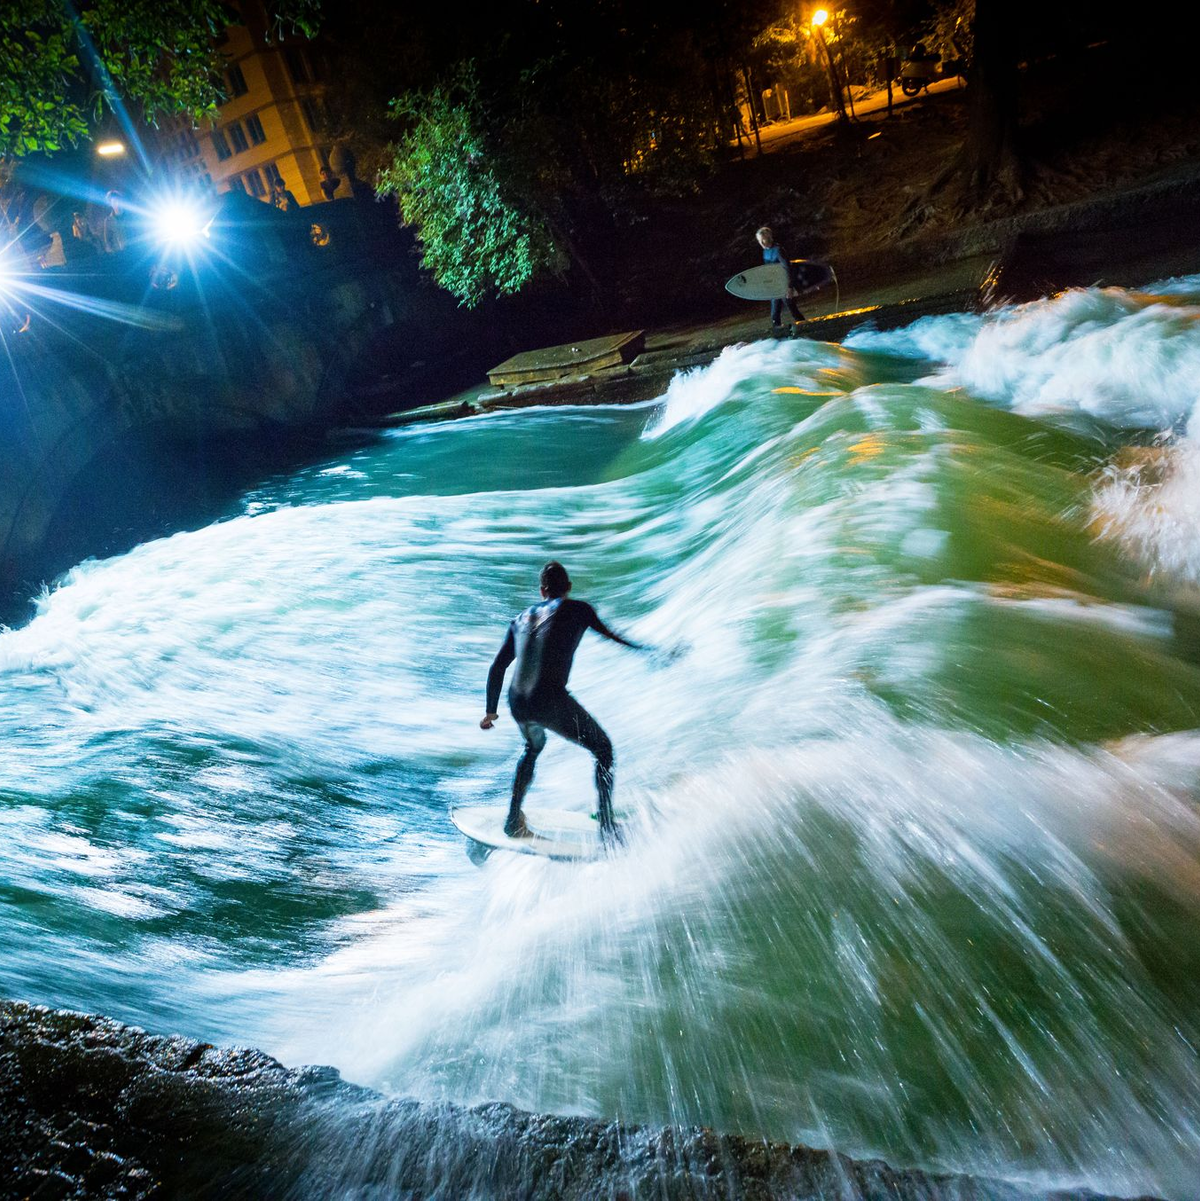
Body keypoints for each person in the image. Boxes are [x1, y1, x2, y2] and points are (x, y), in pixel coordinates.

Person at [481, 561, 644, 846]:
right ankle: (606, 828)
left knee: (532, 747)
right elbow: (614, 637)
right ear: (568, 588)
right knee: (603, 750)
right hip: (549, 700)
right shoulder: (579, 609)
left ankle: (512, 820)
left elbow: (497, 667)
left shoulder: (519, 619)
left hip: (517, 701)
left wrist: (490, 711)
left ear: (542, 590)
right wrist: (649, 652)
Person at [756, 225, 804, 334]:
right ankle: (779, 337)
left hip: (785, 285)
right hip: (775, 287)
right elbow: (769, 271)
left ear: (769, 238)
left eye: (763, 240)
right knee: (774, 315)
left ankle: (807, 328)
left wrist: (790, 287)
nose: (761, 243)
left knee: (793, 310)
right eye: (759, 241)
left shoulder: (779, 250)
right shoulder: (765, 251)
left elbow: (788, 269)